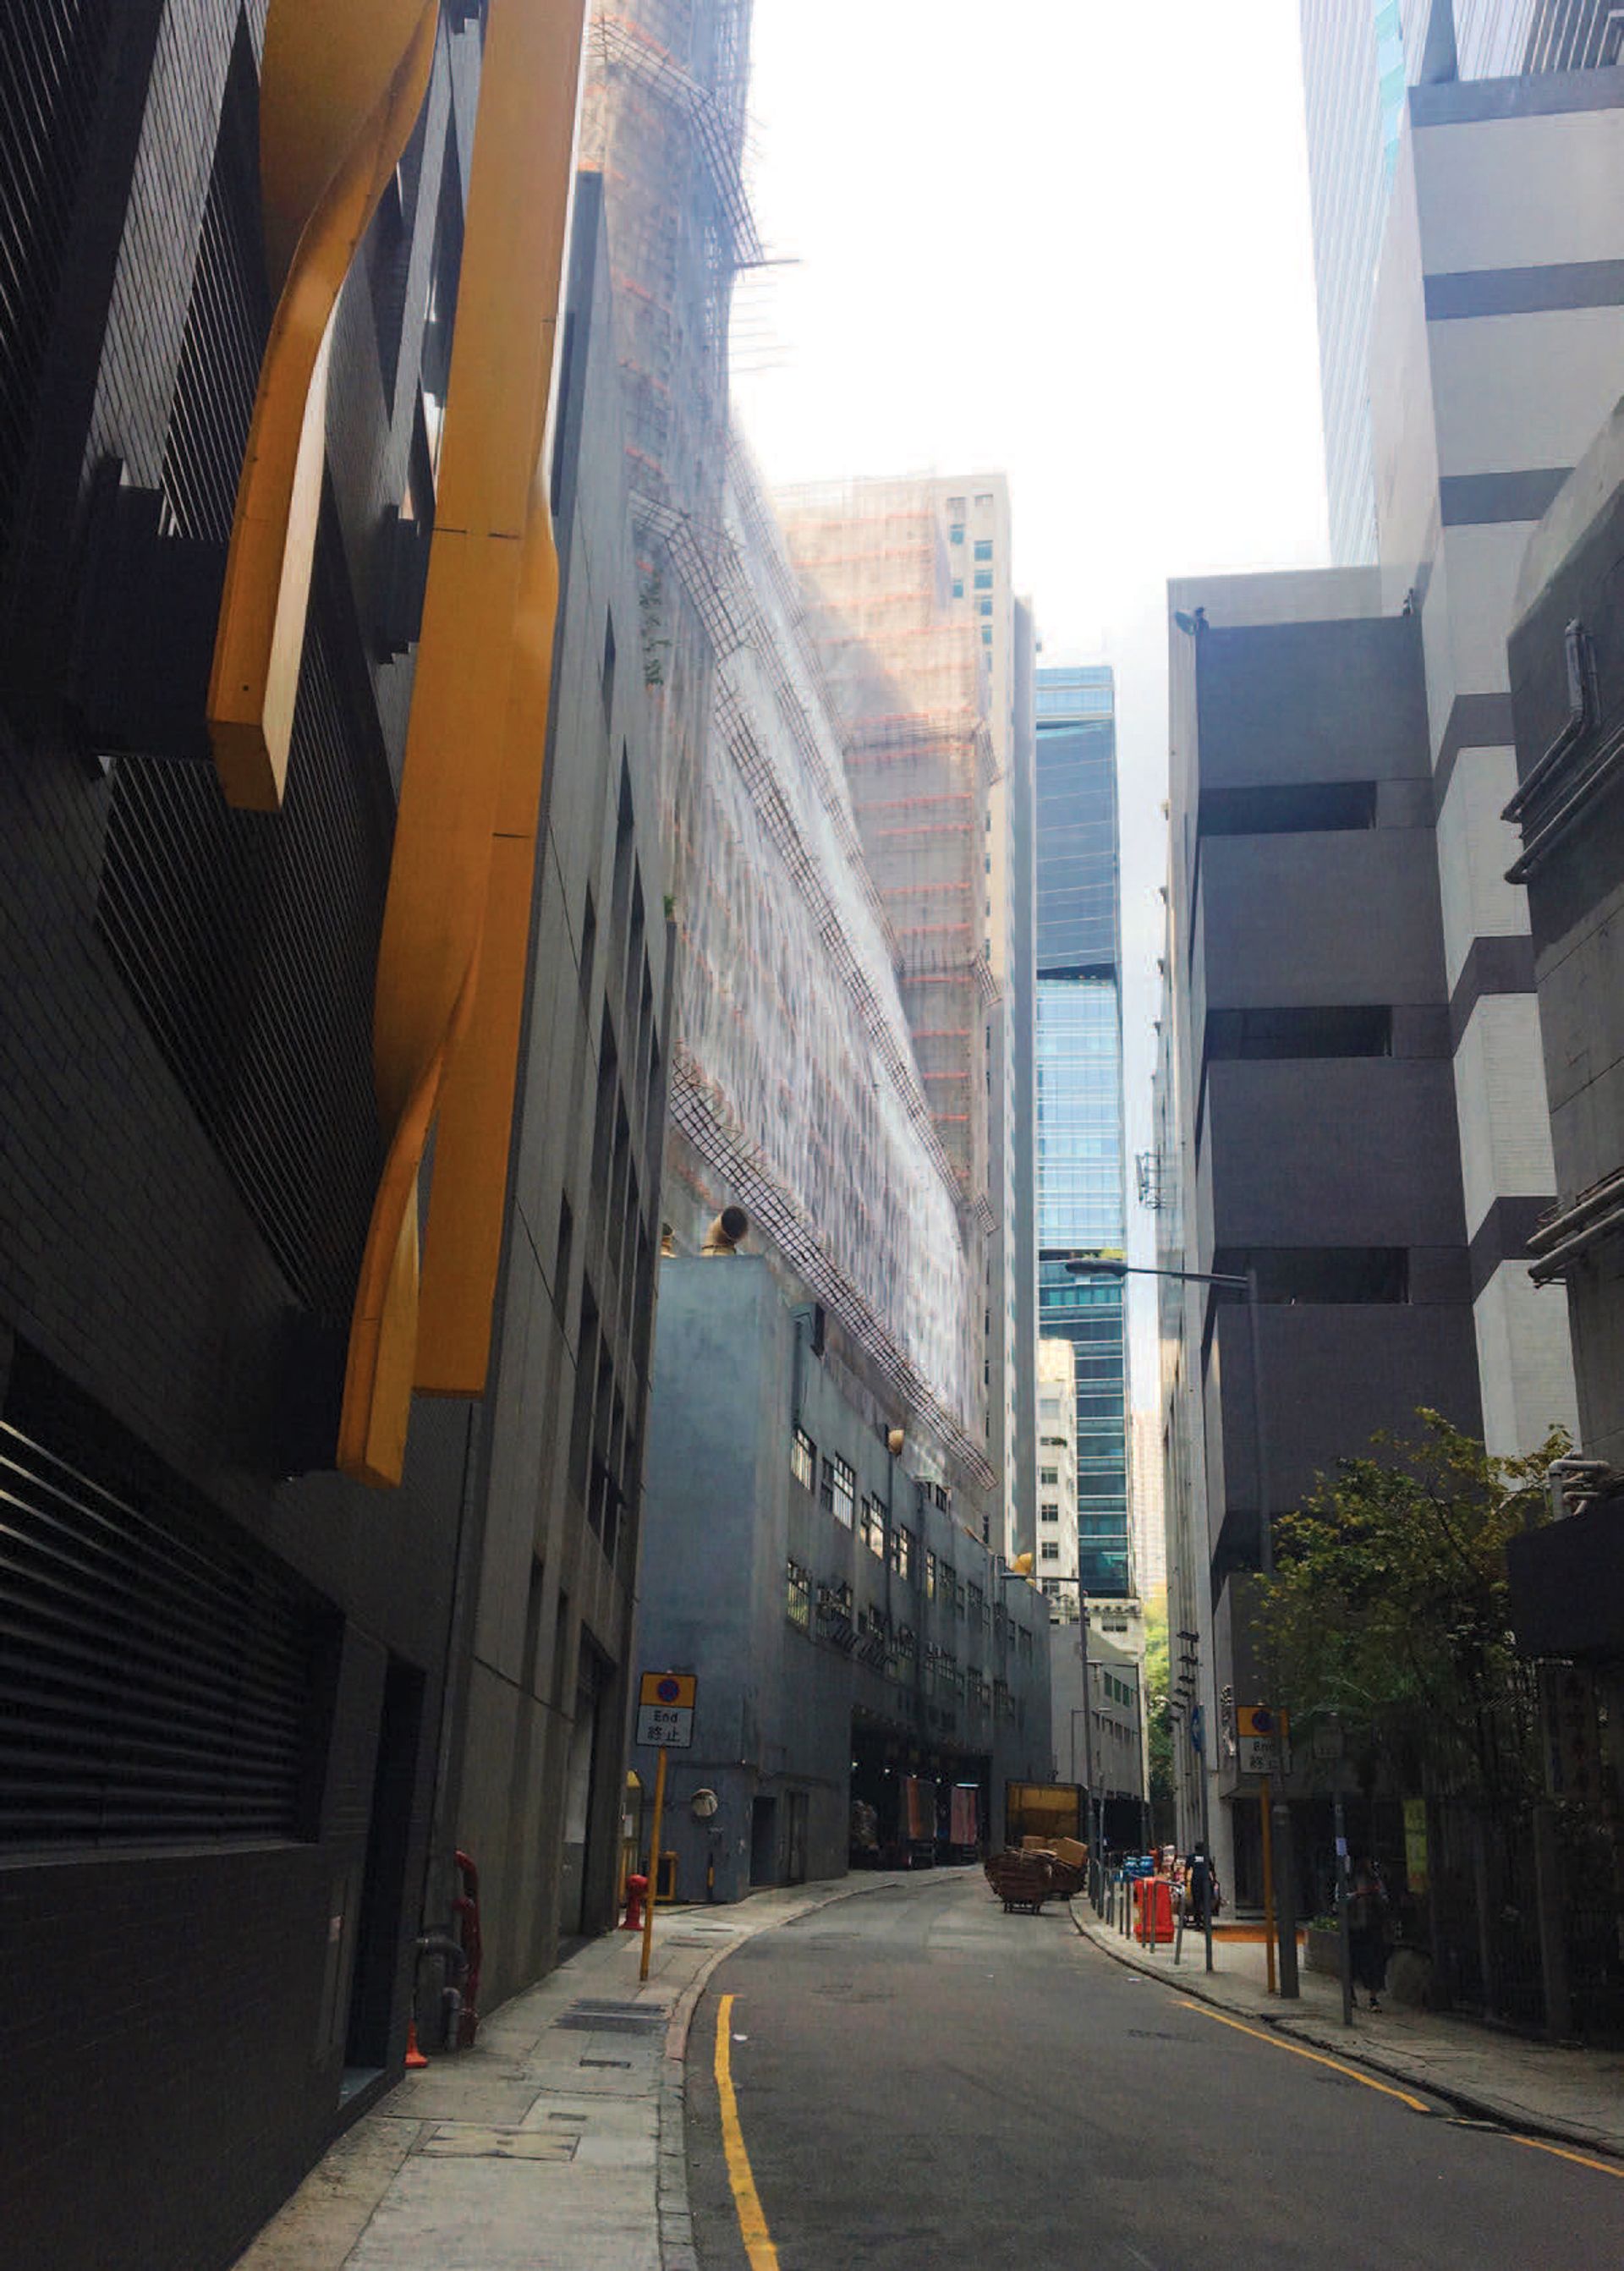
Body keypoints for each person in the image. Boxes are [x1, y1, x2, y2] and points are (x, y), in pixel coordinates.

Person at [1348, 1855, 1390, 2010]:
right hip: (1354, 1928)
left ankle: (1373, 1998)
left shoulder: (1376, 1881)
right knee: (1353, 1962)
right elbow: (1339, 1901)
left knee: (1374, 1962)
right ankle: (1351, 1995)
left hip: (1372, 1927)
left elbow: (1385, 1900)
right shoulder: (1348, 1880)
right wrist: (1357, 1895)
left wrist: (1376, 1895)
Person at [1185, 1843, 1220, 1928]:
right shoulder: (1206, 1857)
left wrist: (1185, 1880)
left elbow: (1187, 1869)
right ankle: (1206, 1921)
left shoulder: (1191, 1857)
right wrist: (1214, 1881)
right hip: (1206, 1881)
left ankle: (1197, 1923)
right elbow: (1212, 1870)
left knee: (1196, 1902)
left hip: (1196, 1881)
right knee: (1206, 1902)